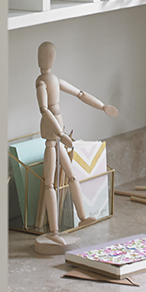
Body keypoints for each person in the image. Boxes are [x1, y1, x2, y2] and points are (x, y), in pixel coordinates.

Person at [34, 41, 119, 254]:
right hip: (52, 132)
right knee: (51, 182)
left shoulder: (54, 79)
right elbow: (44, 109)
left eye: (51, 56)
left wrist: (102, 106)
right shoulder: (41, 83)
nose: (49, 60)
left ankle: (82, 216)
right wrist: (61, 135)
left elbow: (80, 93)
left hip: (59, 130)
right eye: (46, 56)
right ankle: (53, 231)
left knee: (71, 174)